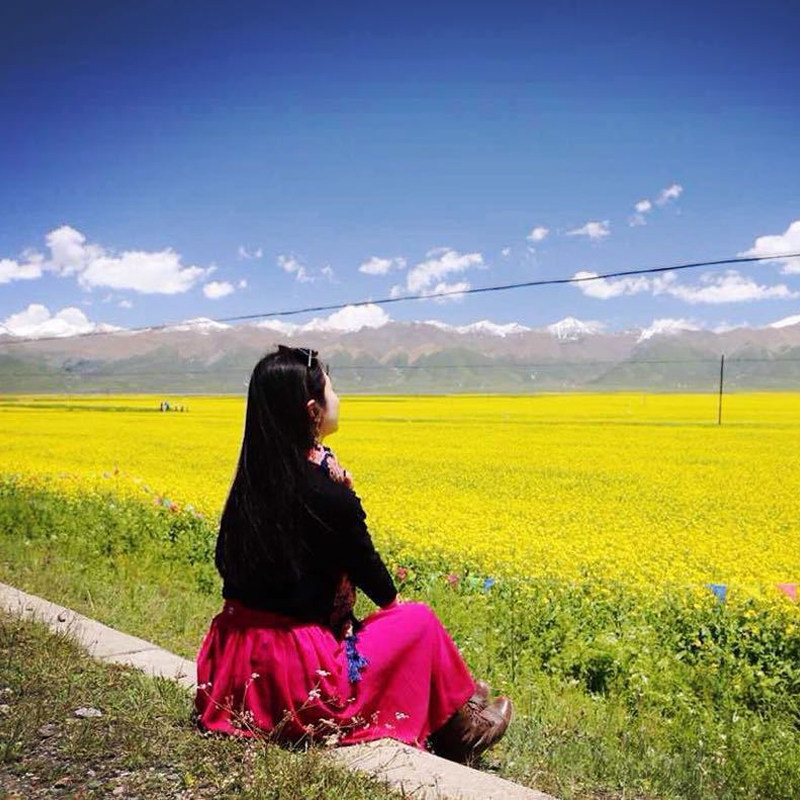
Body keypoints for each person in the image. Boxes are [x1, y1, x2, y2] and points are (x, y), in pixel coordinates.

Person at [193, 345, 513, 762]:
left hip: (232, 673)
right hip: (295, 679)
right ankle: (462, 730)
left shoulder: (247, 489)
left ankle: (463, 699)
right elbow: (382, 590)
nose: (339, 398)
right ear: (313, 411)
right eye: (333, 389)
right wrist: (347, 501)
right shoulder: (328, 495)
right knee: (418, 620)